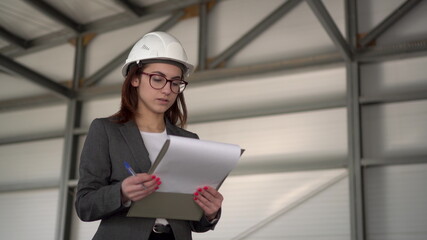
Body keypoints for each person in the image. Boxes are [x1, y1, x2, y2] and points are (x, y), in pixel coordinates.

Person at [75, 31, 223, 240]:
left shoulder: (189, 141)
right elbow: (84, 205)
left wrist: (210, 212)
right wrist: (121, 193)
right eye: (157, 79)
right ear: (135, 78)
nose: (166, 90)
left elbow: (193, 222)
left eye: (174, 82)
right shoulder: (106, 130)